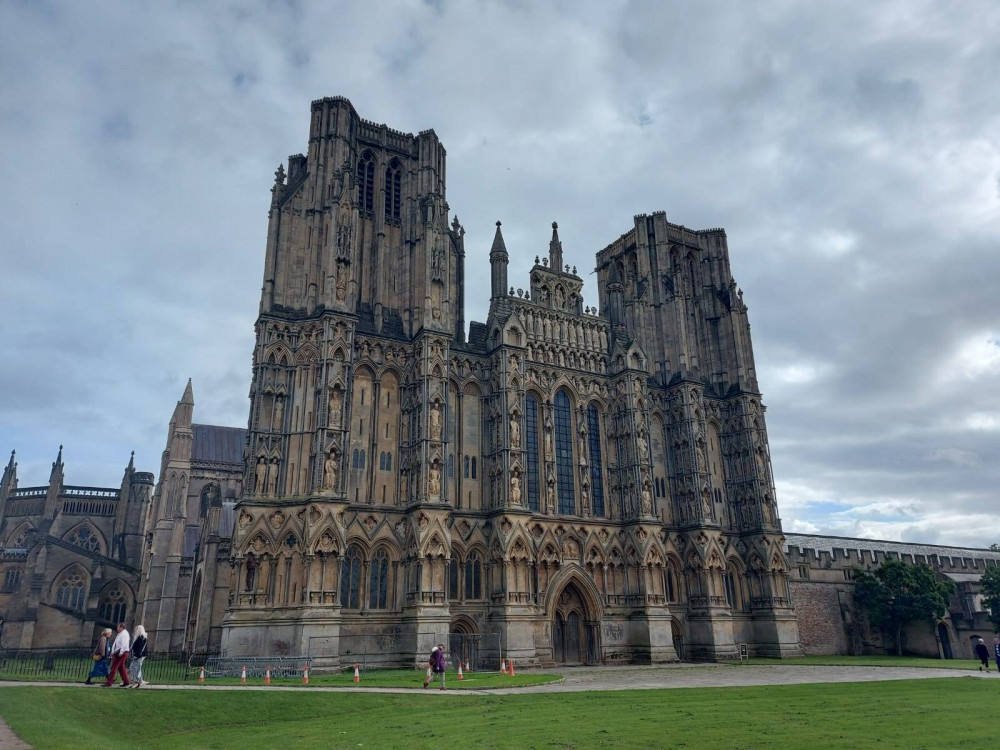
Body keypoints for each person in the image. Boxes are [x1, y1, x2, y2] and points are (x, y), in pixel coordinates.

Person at [104, 622, 131, 687]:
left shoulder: (124, 634)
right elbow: (116, 643)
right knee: (121, 668)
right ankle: (126, 681)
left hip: (121, 653)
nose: (117, 628)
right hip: (119, 652)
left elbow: (124, 644)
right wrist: (112, 651)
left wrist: (121, 652)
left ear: (121, 627)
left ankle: (109, 683)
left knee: (114, 667)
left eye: (118, 627)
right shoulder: (120, 634)